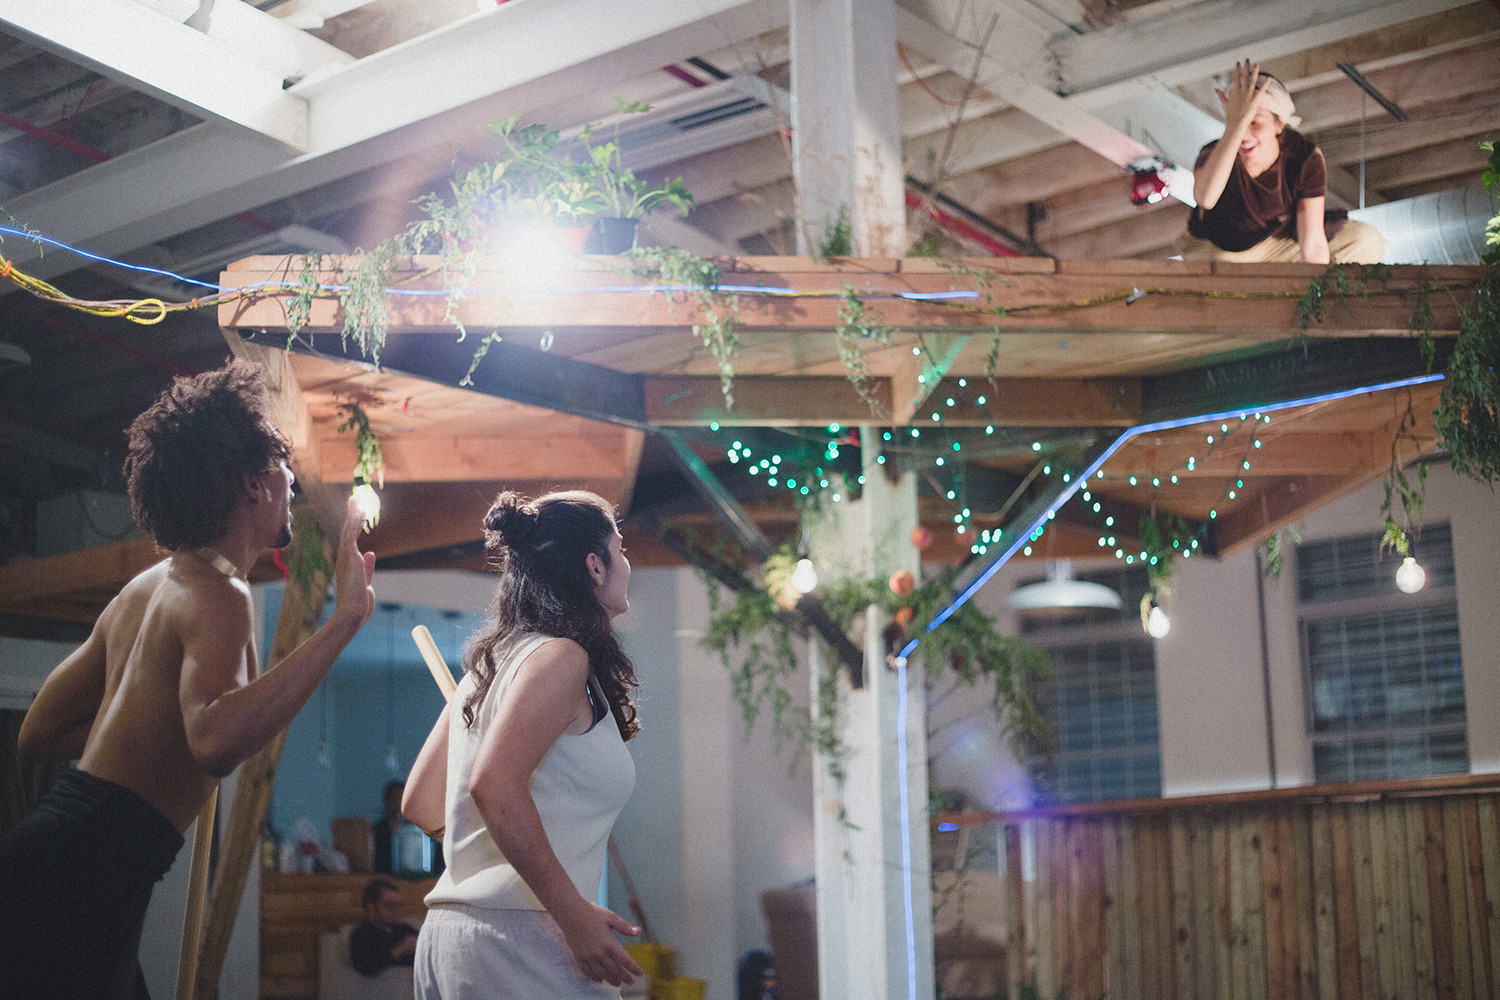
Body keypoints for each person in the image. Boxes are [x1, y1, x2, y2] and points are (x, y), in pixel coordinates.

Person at [0, 361, 377, 1000]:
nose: (292, 481)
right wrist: (343, 621)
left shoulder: (144, 590)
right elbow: (213, 739)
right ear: (255, 486)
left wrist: (145, 743)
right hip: (82, 889)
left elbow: (37, 732)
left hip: (52, 863)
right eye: (283, 468)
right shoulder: (221, 594)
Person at [402, 490, 645, 998]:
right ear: (594, 566)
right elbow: (493, 786)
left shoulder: (488, 669)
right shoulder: (561, 658)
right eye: (620, 550)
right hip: (518, 943)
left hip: (454, 936)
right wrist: (571, 913)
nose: (628, 563)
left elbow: (420, 802)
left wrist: (488, 858)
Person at [1178, 60, 1386, 264]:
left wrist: (1315, 287)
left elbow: (1311, 240)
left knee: (1366, 240)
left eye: (1255, 122)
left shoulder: (1303, 156)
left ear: (1279, 124)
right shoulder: (1215, 152)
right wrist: (1236, 123)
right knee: (1218, 261)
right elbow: (1205, 198)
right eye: (1239, 123)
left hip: (1280, 246)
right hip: (1223, 249)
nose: (1244, 135)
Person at [351, 877, 419, 978]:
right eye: (389, 905)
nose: (395, 910)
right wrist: (400, 949)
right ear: (371, 907)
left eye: (397, 905)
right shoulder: (361, 934)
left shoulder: (405, 929)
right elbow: (367, 967)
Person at [373, 780, 406, 874]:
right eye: (394, 798)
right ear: (387, 800)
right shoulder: (377, 829)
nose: (397, 802)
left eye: (401, 798)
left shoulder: (413, 830)